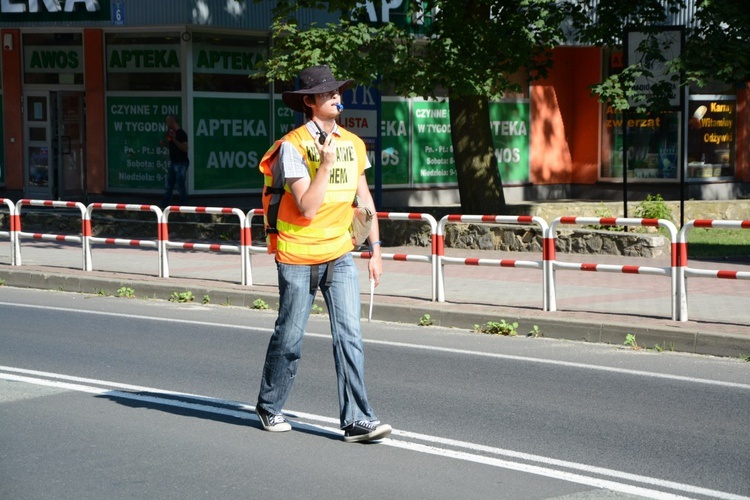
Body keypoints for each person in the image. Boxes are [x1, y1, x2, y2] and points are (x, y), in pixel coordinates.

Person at [254, 65, 391, 443]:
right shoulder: (292, 147)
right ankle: (269, 405)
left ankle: (357, 420)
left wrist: (376, 250)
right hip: (298, 255)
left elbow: (365, 202)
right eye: (329, 93)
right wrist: (326, 165)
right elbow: (308, 207)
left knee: (350, 337)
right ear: (310, 102)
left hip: (340, 253)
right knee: (290, 338)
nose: (337, 97)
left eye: (337, 91)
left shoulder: (353, 143)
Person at [161, 114, 189, 208]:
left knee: (180, 185)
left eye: (168, 121)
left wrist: (174, 139)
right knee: (168, 185)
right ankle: (164, 205)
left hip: (181, 163)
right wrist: (166, 144)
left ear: (173, 121)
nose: (166, 123)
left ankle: (183, 206)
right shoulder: (170, 133)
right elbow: (174, 148)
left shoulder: (181, 133)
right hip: (173, 163)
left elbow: (185, 148)